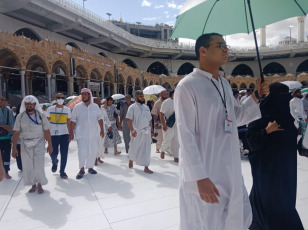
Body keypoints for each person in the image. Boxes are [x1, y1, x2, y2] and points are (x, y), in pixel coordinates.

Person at [174, 33, 268, 230]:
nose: (226, 49)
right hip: (206, 170)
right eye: (220, 45)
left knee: (237, 219)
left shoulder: (224, 84)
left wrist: (256, 96)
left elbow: (237, 117)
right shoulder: (187, 86)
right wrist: (199, 177)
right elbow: (185, 134)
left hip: (230, 169)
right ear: (203, 51)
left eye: (226, 45)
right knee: (206, 222)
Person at [246, 82, 304, 230]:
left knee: (285, 205)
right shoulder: (259, 113)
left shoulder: (289, 115)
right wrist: (266, 131)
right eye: (280, 94)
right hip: (266, 170)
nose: (283, 99)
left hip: (285, 171)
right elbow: (250, 141)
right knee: (267, 204)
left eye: (286, 95)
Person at [11, 95, 52, 194]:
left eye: (31, 103)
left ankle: (40, 184)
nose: (29, 105)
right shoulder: (20, 117)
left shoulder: (41, 116)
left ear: (35, 104)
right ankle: (33, 184)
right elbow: (16, 133)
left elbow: (47, 131)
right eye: (27, 104)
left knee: (39, 164)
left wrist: (50, 145)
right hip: (25, 143)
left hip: (39, 142)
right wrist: (14, 148)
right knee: (28, 165)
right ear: (25, 105)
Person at [70, 88, 104, 179]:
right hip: (81, 134)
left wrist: (102, 129)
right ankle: (81, 169)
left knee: (92, 151)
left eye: (86, 94)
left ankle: (90, 167)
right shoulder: (77, 107)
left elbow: (100, 118)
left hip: (93, 134)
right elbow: (73, 120)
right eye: (82, 94)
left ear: (89, 95)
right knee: (82, 152)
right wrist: (71, 132)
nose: (84, 96)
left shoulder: (95, 107)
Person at [126, 90, 154, 174]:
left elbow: (150, 120)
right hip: (136, 131)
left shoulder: (146, 107)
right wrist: (132, 130)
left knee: (147, 149)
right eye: (140, 96)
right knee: (134, 147)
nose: (142, 98)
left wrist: (152, 131)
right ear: (136, 97)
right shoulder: (132, 107)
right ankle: (131, 160)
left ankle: (146, 166)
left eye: (143, 96)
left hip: (146, 132)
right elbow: (129, 120)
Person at [47, 93, 71, 179]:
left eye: (62, 98)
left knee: (64, 154)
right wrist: (46, 135)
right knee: (53, 153)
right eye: (58, 98)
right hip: (53, 134)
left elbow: (68, 122)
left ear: (64, 99)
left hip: (64, 134)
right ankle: (55, 162)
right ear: (55, 99)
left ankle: (62, 171)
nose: (60, 99)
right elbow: (46, 123)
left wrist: (70, 134)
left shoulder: (67, 110)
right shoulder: (50, 109)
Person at [159, 90, 179, 162]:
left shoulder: (179, 101)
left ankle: (176, 156)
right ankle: (163, 150)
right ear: (172, 95)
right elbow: (161, 113)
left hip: (177, 124)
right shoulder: (166, 102)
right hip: (170, 123)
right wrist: (163, 125)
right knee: (168, 138)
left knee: (177, 140)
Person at [0, 96, 15, 179]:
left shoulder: (9, 111)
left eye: (2, 100)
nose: (1, 102)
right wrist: (5, 126)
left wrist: (2, 125)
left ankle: (6, 171)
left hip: (7, 137)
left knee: (6, 155)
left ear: (6, 102)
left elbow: (11, 127)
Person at [93, 97, 111, 165]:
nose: (97, 102)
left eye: (98, 101)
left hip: (102, 129)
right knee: (95, 144)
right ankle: (94, 158)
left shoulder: (102, 109)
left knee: (101, 144)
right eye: (96, 101)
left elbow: (106, 118)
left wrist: (109, 126)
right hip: (94, 129)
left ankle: (99, 158)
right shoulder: (92, 109)